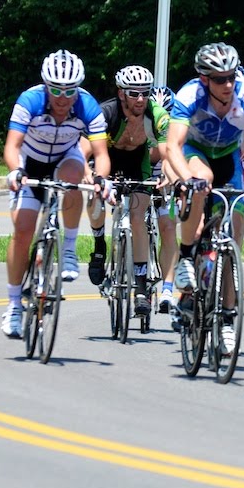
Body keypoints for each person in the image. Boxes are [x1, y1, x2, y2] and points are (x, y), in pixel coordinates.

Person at [165, 43, 244, 349]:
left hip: (228, 158)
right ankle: (187, 257)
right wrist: (186, 179)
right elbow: (173, 146)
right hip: (196, 152)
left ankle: (227, 318)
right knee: (203, 180)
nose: (227, 84)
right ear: (204, 79)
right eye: (219, 79)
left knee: (233, 235)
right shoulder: (189, 95)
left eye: (231, 77)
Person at [1, 50, 112, 338]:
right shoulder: (30, 101)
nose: (62, 97)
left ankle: (69, 249)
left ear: (78, 89)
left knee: (75, 179)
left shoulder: (87, 106)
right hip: (31, 163)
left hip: (66, 159)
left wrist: (101, 179)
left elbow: (101, 153)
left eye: (69, 91)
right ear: (45, 86)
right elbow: (12, 147)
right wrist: (16, 171)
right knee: (23, 231)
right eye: (55, 90)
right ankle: (13, 305)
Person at [81, 65, 173, 319]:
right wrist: (91, 177)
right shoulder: (106, 112)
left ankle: (141, 290)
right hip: (105, 158)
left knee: (138, 214)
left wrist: (167, 172)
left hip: (137, 163)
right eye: (134, 93)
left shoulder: (157, 115)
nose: (141, 99)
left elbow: (168, 151)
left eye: (146, 93)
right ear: (122, 93)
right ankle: (99, 247)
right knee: (94, 198)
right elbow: (82, 152)